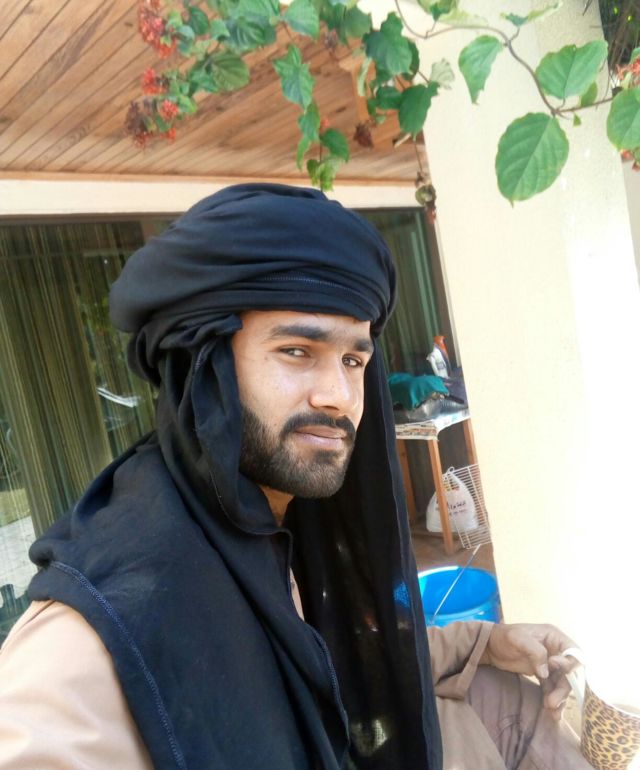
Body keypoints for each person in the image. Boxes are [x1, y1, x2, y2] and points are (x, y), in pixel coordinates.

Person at [0, 184, 587, 770]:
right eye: (297, 351)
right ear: (203, 367)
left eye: (353, 360)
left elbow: (326, 664)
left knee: (515, 702)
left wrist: (484, 642)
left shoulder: (272, 524)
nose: (339, 396)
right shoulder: (90, 640)